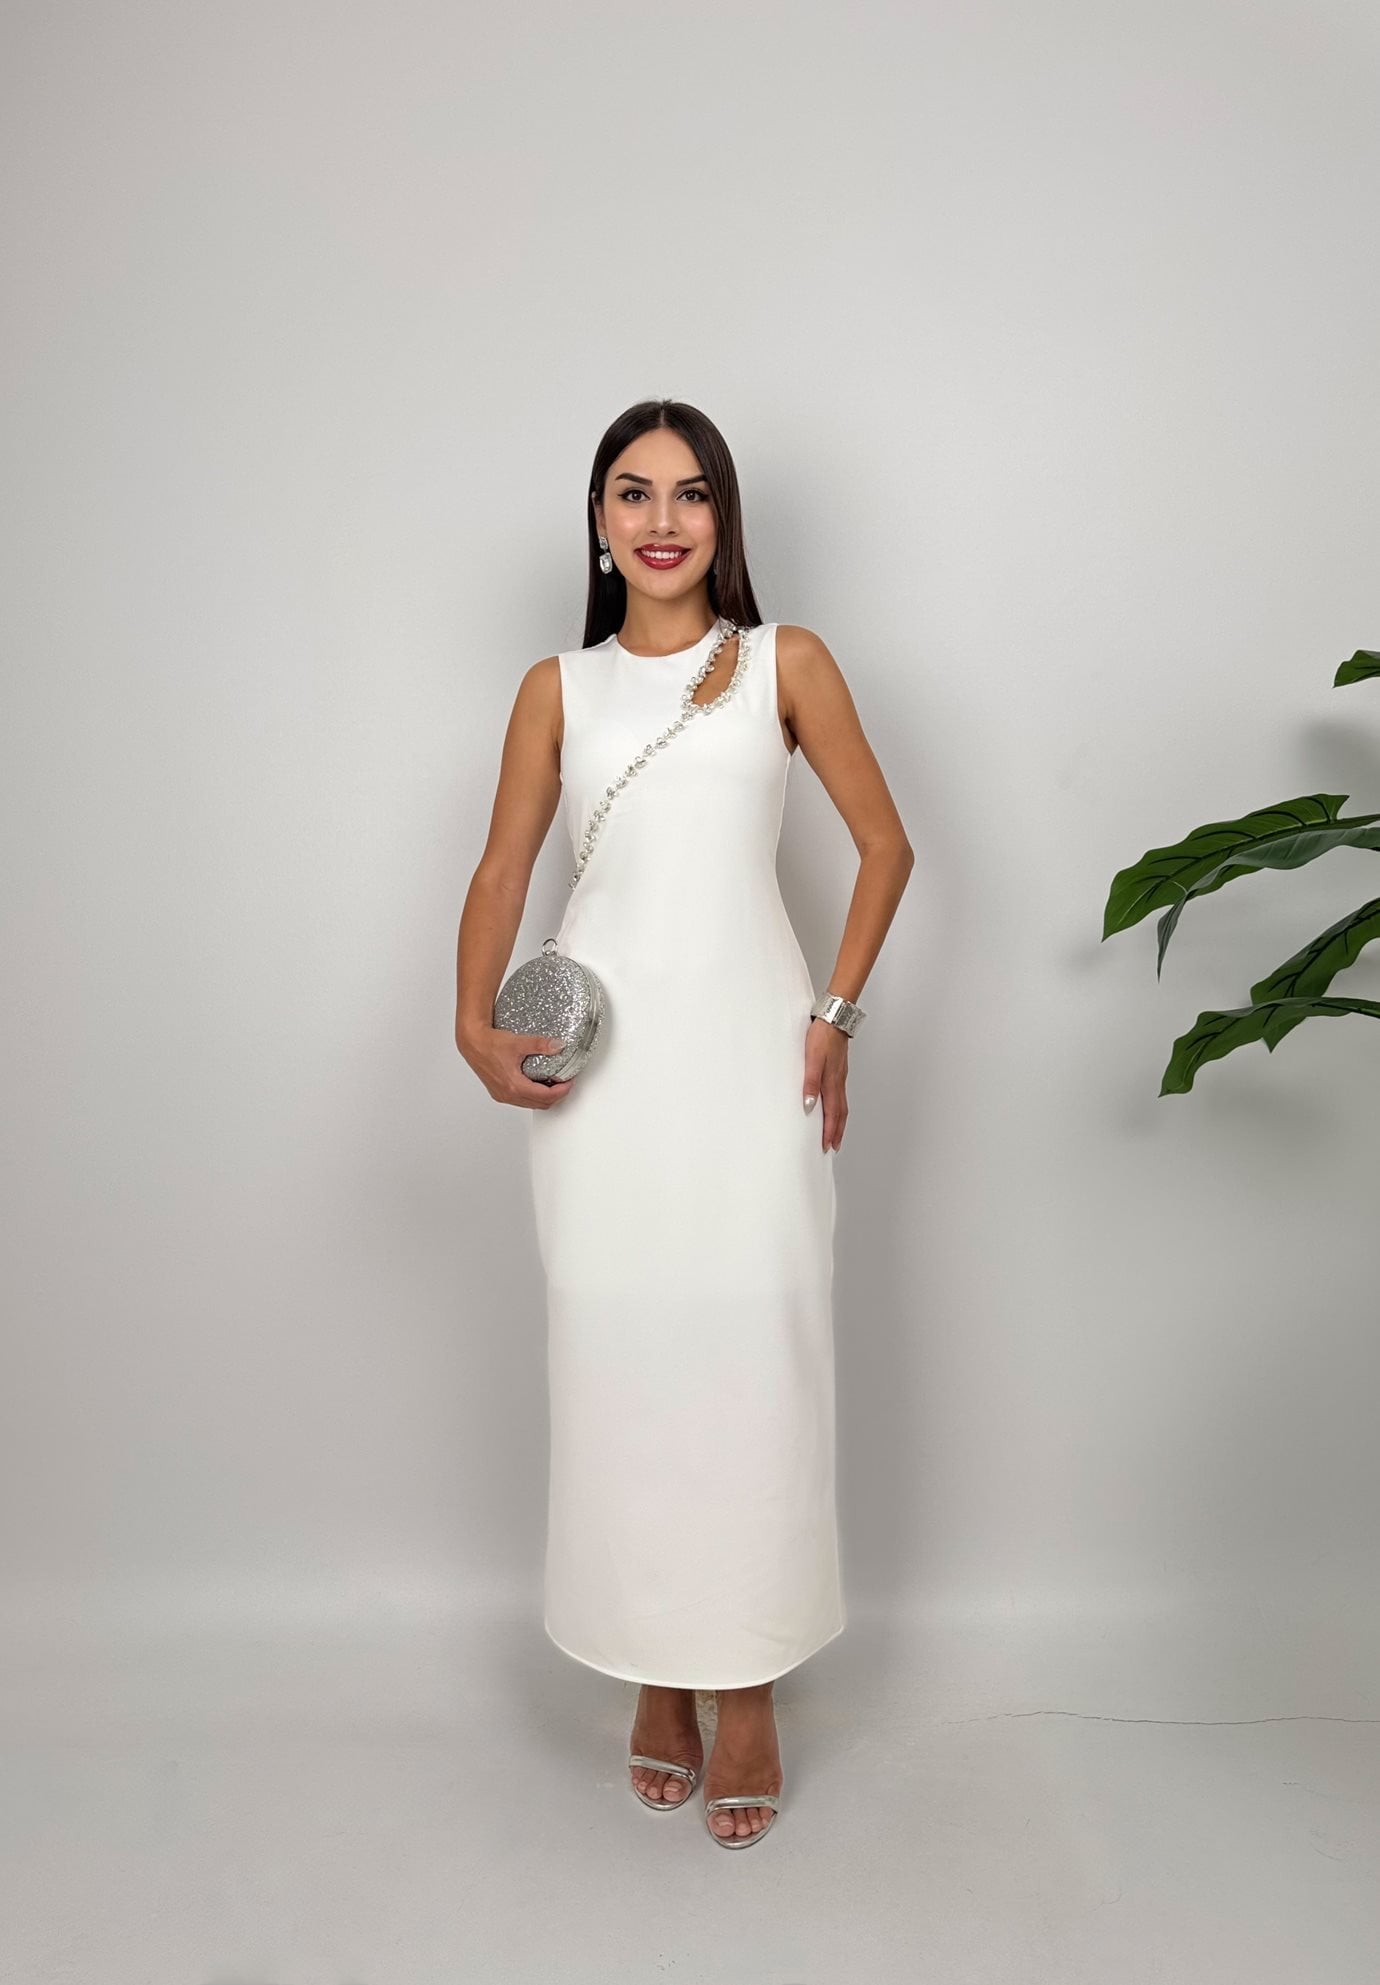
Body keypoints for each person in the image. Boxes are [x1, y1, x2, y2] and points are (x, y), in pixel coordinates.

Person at [455, 399, 914, 1848]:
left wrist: (833, 1017)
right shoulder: (559, 688)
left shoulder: (788, 663)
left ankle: (749, 1674)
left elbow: (886, 845)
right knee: (622, 1353)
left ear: (725, 519)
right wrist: (471, 1025)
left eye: (692, 493)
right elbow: (502, 868)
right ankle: (658, 1668)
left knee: (755, 1352)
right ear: (598, 522)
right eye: (633, 492)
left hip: (749, 1058)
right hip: (603, 1078)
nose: (663, 519)